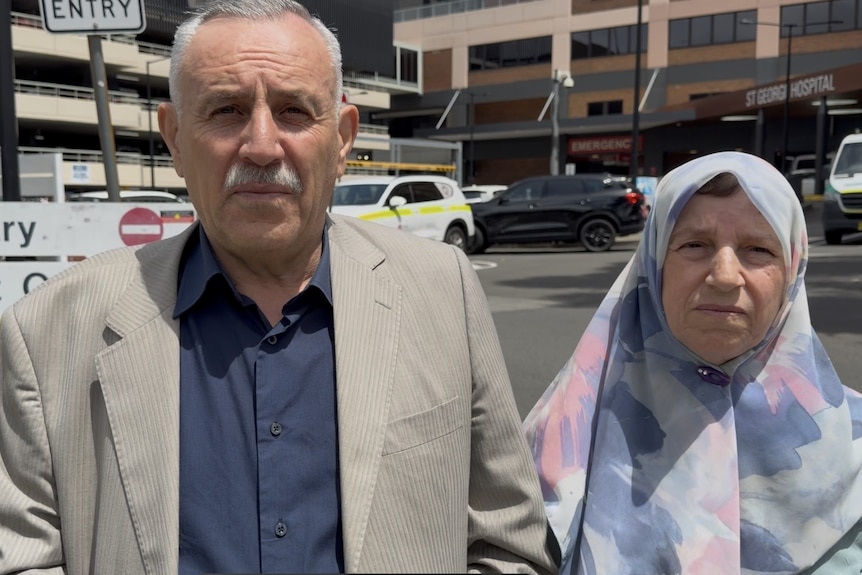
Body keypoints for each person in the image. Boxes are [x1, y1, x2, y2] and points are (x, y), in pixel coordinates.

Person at [0, 1, 559, 573]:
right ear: (173, 138)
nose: (262, 146)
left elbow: (508, 542)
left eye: (294, 111)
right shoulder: (47, 331)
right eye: (226, 110)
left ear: (342, 139)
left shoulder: (444, 292)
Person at [523, 151, 862, 574]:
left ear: (792, 271)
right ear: (655, 265)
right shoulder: (563, 436)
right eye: (694, 245)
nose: (724, 275)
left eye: (757, 249)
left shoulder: (853, 447)